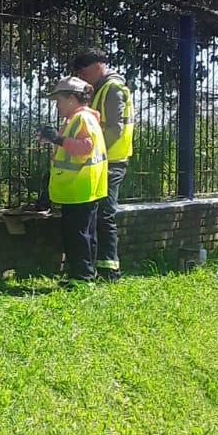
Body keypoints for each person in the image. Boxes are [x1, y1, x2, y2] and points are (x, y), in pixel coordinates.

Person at [70, 47, 134, 282]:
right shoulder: (101, 88)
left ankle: (110, 269)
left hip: (112, 161)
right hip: (102, 160)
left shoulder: (113, 89)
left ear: (97, 66)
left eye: (82, 72)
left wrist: (92, 150)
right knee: (97, 213)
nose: (81, 78)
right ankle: (100, 267)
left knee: (105, 213)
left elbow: (114, 129)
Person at [38, 76, 108, 284]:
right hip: (85, 187)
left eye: (58, 100)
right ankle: (85, 275)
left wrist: (57, 139)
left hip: (79, 188)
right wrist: (55, 140)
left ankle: (81, 278)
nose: (57, 106)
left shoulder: (81, 119)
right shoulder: (81, 118)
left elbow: (84, 148)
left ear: (71, 98)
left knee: (77, 236)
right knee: (85, 234)